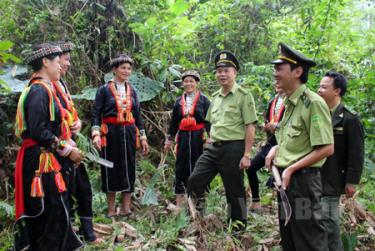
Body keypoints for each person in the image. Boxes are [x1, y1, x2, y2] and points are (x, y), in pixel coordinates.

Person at [265, 42, 334, 251]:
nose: (275, 73)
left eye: (279, 68)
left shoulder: (312, 103)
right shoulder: (289, 103)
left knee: (309, 240)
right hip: (286, 182)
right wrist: (276, 149)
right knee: (290, 240)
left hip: (303, 183)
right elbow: (295, 140)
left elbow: (327, 147)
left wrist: (292, 168)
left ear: (297, 71)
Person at [14, 43, 83, 250]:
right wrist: (67, 149)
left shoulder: (45, 89)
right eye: (57, 61)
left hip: (45, 159)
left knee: (55, 208)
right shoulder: (38, 91)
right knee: (47, 210)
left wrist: (67, 139)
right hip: (39, 162)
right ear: (45, 62)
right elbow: (38, 131)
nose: (61, 66)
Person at [187, 51, 257, 230]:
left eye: (226, 70)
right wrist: (209, 139)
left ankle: (238, 227)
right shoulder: (216, 97)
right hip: (213, 148)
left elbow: (250, 126)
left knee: (235, 191)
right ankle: (199, 217)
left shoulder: (243, 95)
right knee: (195, 180)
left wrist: (247, 154)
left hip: (233, 148)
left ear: (235, 73)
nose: (222, 74)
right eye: (219, 71)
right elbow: (210, 123)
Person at [52, 41, 99, 243]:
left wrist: (77, 122)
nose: (68, 64)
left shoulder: (62, 83)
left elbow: (71, 114)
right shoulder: (45, 86)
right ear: (53, 61)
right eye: (66, 60)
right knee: (67, 191)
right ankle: (70, 236)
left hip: (70, 144)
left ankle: (87, 233)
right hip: (57, 149)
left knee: (83, 188)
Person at [92, 54, 150, 217]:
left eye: (129, 68)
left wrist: (143, 136)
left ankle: (126, 208)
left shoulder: (132, 90)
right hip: (110, 134)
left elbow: (137, 114)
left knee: (129, 168)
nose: (126, 71)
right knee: (110, 168)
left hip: (130, 133)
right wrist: (96, 133)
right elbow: (96, 113)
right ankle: (111, 210)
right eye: (123, 68)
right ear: (114, 70)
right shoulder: (103, 90)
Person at [318, 71, 364, 251]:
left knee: (329, 225)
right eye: (319, 86)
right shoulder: (318, 113)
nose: (319, 90)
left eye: (324, 87)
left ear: (337, 91)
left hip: (333, 178)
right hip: (314, 177)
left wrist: (352, 181)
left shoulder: (349, 118)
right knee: (314, 223)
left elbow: (356, 153)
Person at [164, 70, 210, 208]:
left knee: (199, 165)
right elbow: (174, 123)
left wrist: (211, 137)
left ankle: (199, 201)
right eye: (186, 81)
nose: (188, 84)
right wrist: (169, 139)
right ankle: (180, 204)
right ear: (182, 83)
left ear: (197, 83)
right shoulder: (178, 102)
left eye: (191, 81)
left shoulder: (204, 100)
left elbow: (209, 121)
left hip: (198, 137)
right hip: (183, 137)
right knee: (181, 166)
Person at [246, 82, 285, 211]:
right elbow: (269, 122)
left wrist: (277, 126)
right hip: (271, 143)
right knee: (251, 168)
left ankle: (284, 208)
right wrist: (267, 127)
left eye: (281, 82)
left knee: (283, 176)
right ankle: (256, 201)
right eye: (277, 82)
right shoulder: (272, 102)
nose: (278, 84)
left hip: (286, 144)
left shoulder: (292, 101)